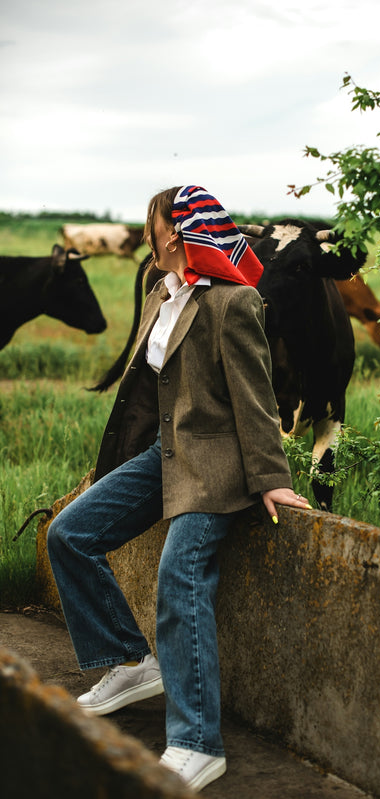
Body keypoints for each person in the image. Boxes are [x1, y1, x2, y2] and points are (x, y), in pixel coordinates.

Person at [47, 185, 311, 792]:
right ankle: (133, 662)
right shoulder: (159, 291)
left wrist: (271, 481)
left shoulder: (233, 304)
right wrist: (113, 464)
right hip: (164, 455)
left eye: (153, 223)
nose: (146, 234)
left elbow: (256, 399)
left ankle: (197, 744)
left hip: (218, 465)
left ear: (175, 231)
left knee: (180, 571)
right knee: (71, 534)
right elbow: (143, 393)